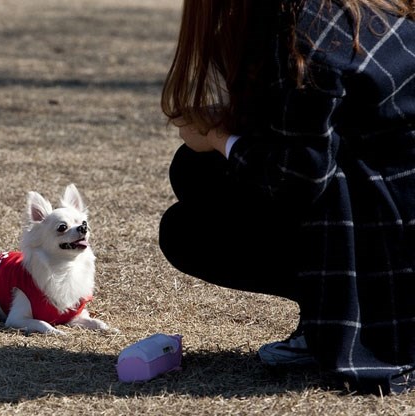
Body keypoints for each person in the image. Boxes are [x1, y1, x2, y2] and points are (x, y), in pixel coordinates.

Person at [158, 0, 415, 394]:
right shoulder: (353, 10)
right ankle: (327, 314)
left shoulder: (307, 33)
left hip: (390, 235)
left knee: (185, 228)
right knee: (193, 170)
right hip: (398, 192)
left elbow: (302, 175)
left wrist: (218, 138)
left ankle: (341, 318)